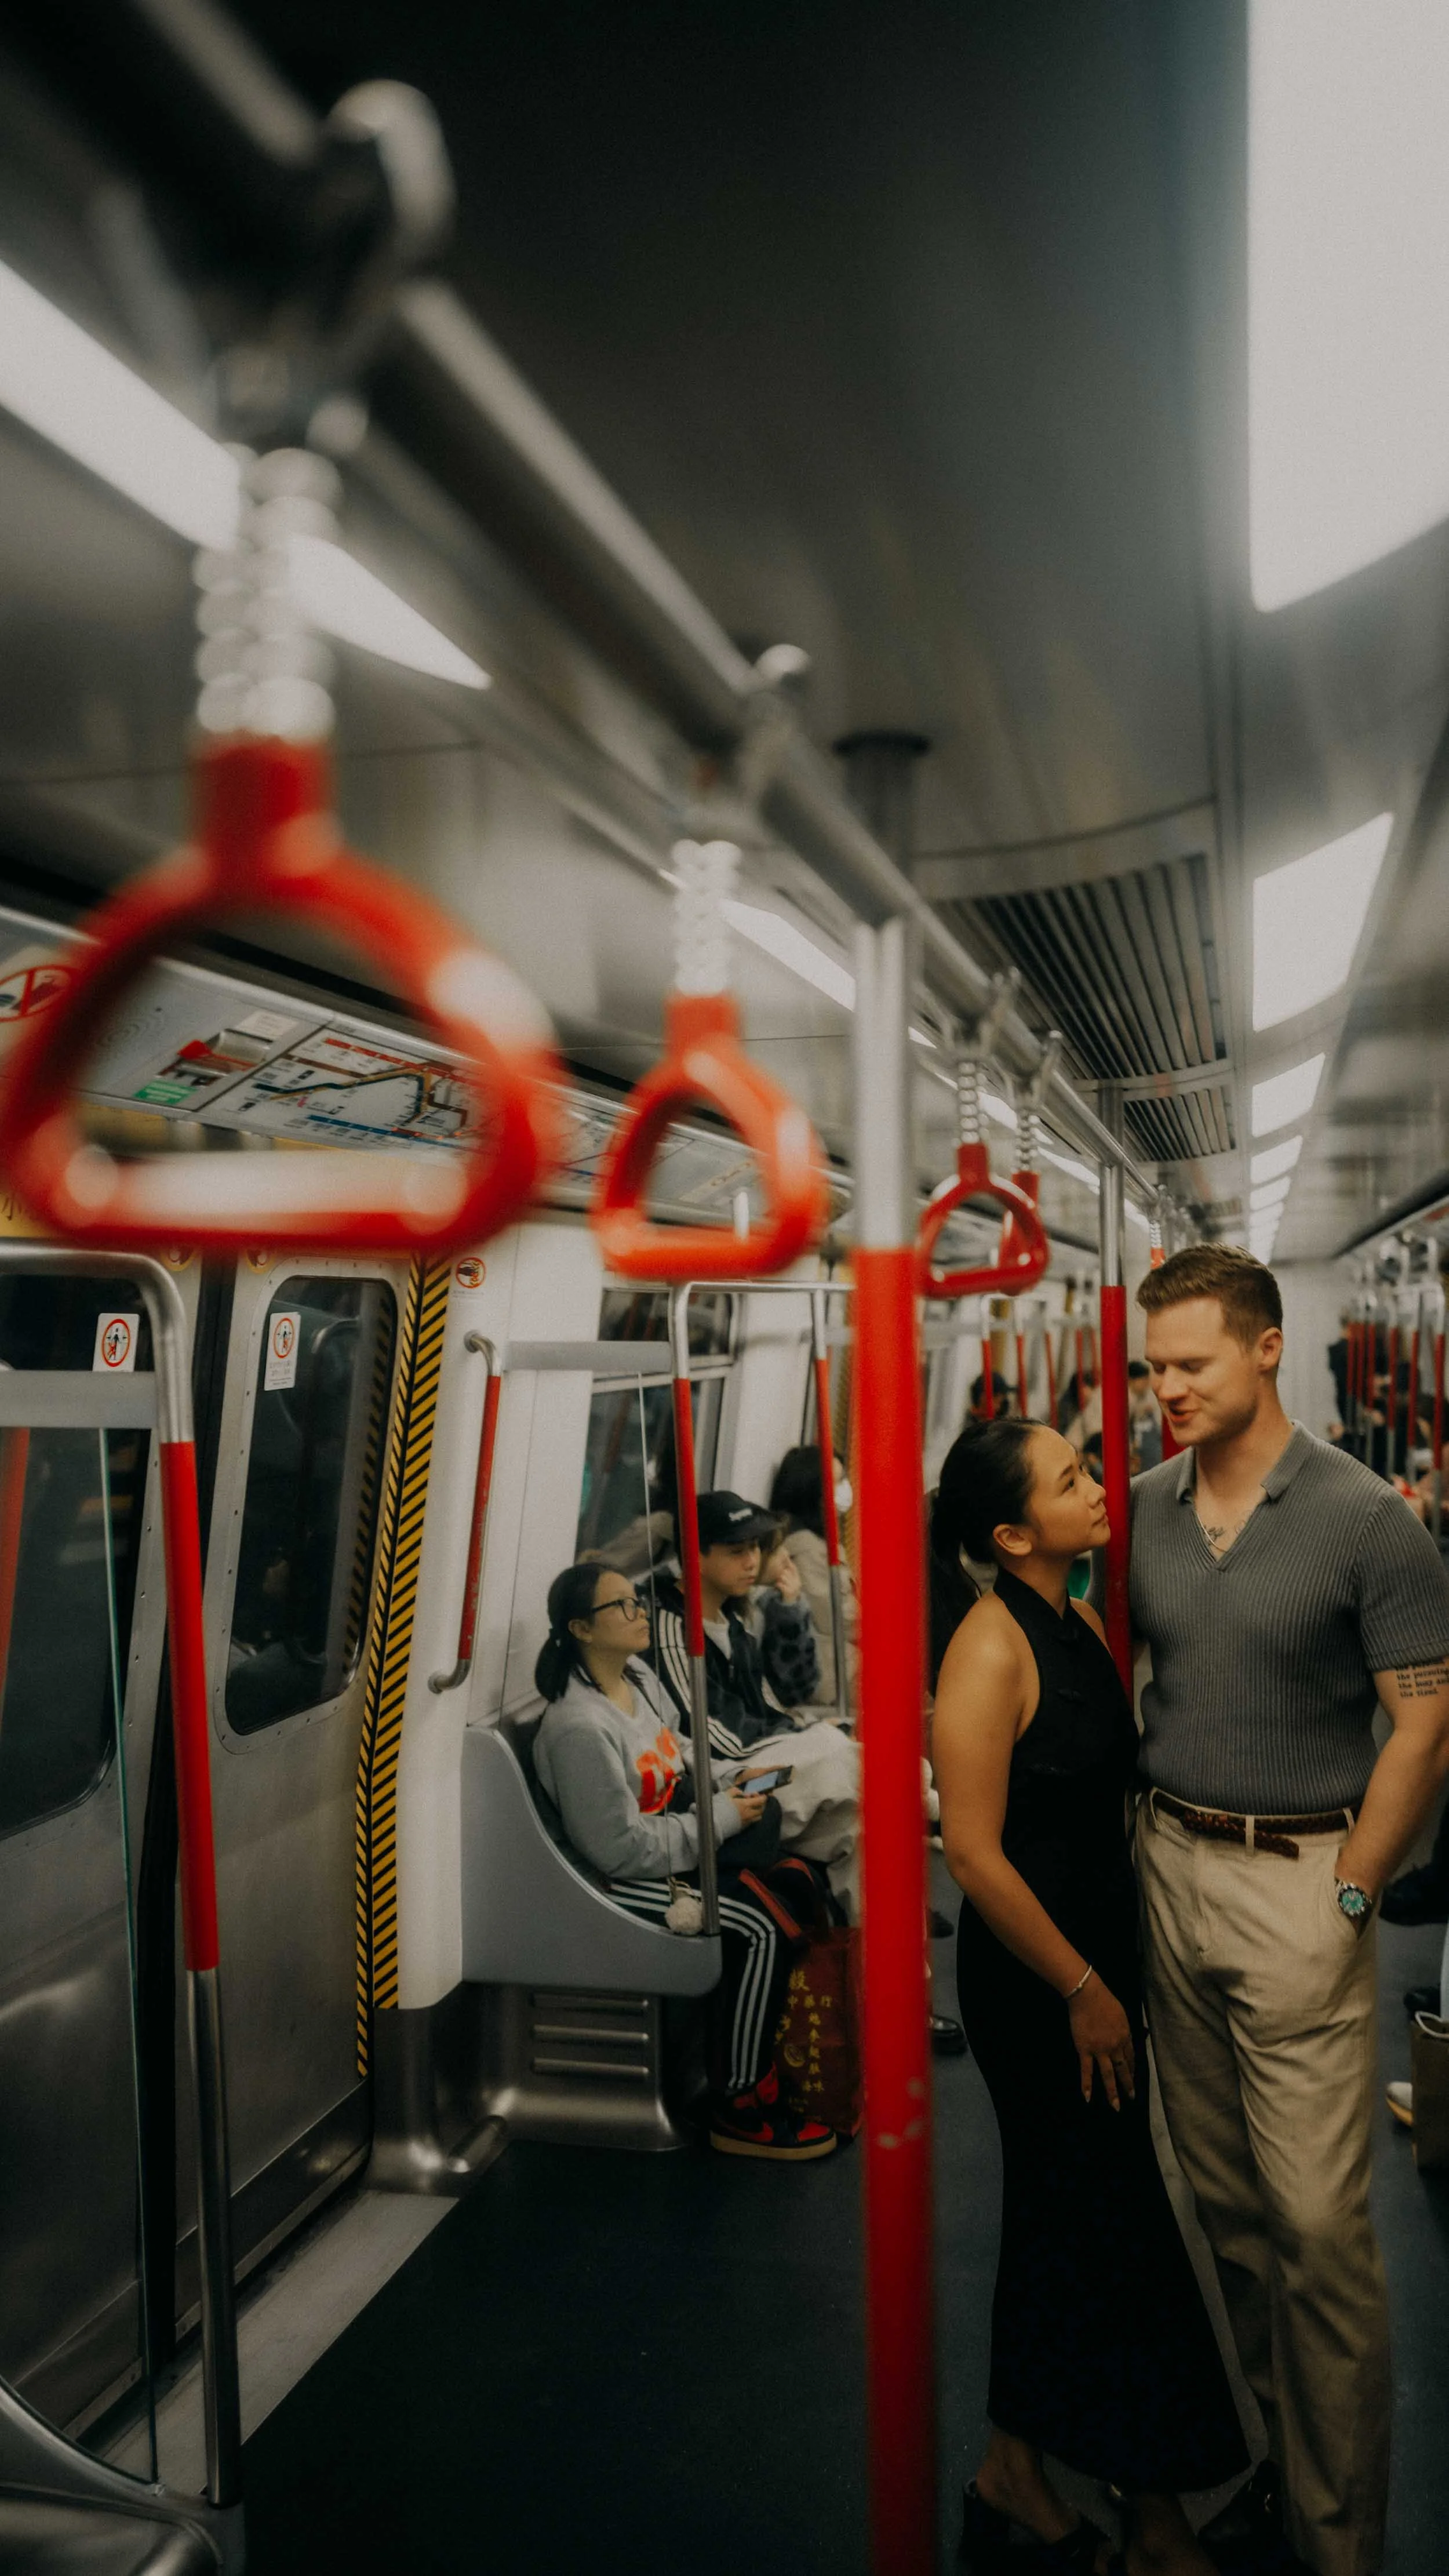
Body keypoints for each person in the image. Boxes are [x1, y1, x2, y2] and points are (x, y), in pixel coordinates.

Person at [1133, 1245, 1449, 2576]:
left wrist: (1355, 1889)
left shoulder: (1369, 1516)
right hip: (1168, 1867)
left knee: (1319, 2230)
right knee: (1230, 2218)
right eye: (1154, 1366)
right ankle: (1276, 2464)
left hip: (1302, 1879)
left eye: (1190, 1362)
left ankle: (1339, 2540)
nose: (1167, 1390)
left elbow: (1424, 1719)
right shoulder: (1145, 1506)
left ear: (1265, 1347)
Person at [932, 1416, 1246, 2576]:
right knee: (1109, 2222)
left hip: (1089, 1965)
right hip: (1036, 1980)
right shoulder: (986, 1647)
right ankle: (1155, 2517)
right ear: (1010, 1530)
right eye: (1069, 1478)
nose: (1095, 1483)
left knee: (1070, 2220)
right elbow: (971, 1851)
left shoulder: (1065, 1615)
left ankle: (1016, 2468)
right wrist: (1080, 1986)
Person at [533, 1561, 838, 2163]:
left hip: (669, 1846)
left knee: (796, 1878)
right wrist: (720, 1818)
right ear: (581, 1628)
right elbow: (617, 1849)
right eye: (619, 1606)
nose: (639, 1612)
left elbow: (681, 1757)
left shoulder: (638, 1679)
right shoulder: (578, 1728)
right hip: (614, 1882)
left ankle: (782, 2057)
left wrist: (733, 1779)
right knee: (757, 1926)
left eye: (636, 1601)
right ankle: (741, 2101)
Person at [653, 1490, 966, 2051]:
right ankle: (920, 1793)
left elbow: (785, 1695)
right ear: (694, 1555)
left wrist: (791, 1608)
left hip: (771, 1761)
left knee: (870, 1832)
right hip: (739, 1783)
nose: (752, 1561)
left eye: (756, 1548)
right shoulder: (675, 1627)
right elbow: (711, 1735)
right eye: (735, 1550)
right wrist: (799, 1740)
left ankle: (899, 2002)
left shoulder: (739, 1617)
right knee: (841, 1760)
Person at [767, 1443, 858, 1713]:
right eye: (838, 1481)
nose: (845, 1489)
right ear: (811, 1491)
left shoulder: (812, 1540)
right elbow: (839, 1619)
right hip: (833, 1674)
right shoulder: (806, 1549)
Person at [1127, 1357, 1163, 1471]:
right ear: (1131, 1380)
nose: (1146, 1385)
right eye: (1143, 1381)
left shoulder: (1140, 1397)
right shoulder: (1125, 1397)